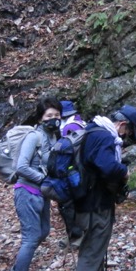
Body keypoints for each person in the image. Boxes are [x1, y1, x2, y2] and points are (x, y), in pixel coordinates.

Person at [72, 104, 136, 271]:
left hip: (87, 202)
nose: (127, 136)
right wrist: (125, 171)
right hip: (95, 206)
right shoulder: (104, 137)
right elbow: (108, 167)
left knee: (95, 250)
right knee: (92, 253)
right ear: (123, 124)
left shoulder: (93, 130)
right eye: (128, 131)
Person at [2, 96, 61, 271]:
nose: (54, 119)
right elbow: (21, 167)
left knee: (43, 232)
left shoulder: (53, 137)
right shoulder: (34, 136)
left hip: (41, 194)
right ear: (41, 117)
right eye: (49, 116)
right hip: (26, 191)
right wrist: (44, 179)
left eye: (56, 115)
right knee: (31, 237)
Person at [58, 100, 86, 248]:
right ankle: (74, 233)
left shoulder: (69, 128)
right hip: (80, 169)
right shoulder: (80, 122)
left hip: (71, 170)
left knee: (67, 204)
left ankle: (77, 234)